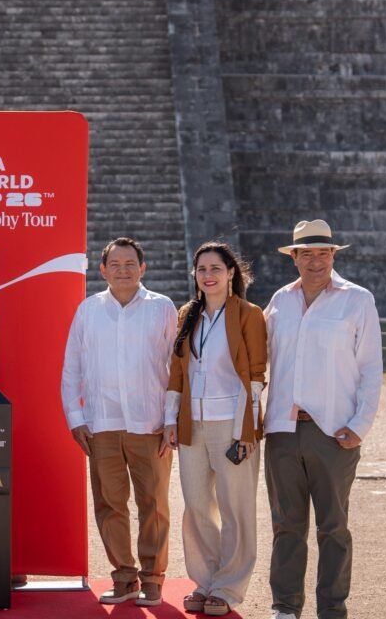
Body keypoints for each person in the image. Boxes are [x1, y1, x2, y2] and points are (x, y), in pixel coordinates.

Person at [263, 220, 382, 619]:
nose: (317, 261)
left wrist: (360, 425)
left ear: (334, 255)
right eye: (308, 253)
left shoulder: (357, 300)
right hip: (282, 430)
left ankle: (332, 609)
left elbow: (370, 368)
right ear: (293, 258)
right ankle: (285, 607)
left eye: (324, 252)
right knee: (286, 526)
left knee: (333, 527)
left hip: (333, 433)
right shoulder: (278, 301)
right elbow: (257, 361)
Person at [61, 237, 178, 607]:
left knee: (154, 505)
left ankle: (153, 579)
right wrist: (76, 417)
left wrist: (171, 419)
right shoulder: (88, 310)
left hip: (151, 424)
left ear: (142, 268)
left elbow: (177, 369)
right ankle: (124, 577)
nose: (123, 269)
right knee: (110, 504)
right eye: (116, 264)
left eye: (131, 263)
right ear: (103, 270)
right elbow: (72, 368)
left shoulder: (162, 308)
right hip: (102, 423)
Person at [164, 241, 267, 617]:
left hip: (232, 424)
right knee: (196, 506)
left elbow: (256, 377)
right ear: (195, 275)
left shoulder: (249, 314)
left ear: (231, 274)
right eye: (202, 269)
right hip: (191, 424)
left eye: (216, 269)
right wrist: (169, 421)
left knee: (235, 507)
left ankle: (228, 587)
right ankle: (204, 582)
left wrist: (248, 431)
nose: (208, 275)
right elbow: (177, 372)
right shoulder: (187, 314)